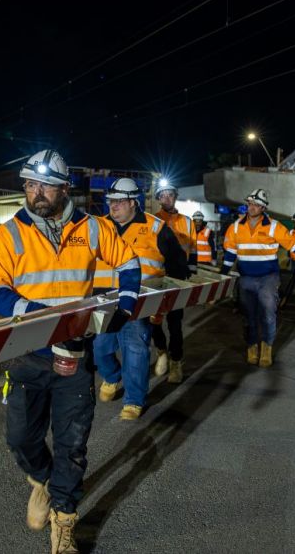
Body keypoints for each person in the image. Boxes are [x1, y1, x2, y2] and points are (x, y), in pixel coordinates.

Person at [0, 149, 141, 553]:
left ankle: (64, 522)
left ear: (63, 188)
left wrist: (126, 300)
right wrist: (38, 315)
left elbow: (128, 261)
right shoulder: (9, 234)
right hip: (28, 352)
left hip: (74, 353)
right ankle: (40, 480)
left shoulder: (92, 228)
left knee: (72, 445)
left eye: (45, 186)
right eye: (31, 185)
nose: (36, 193)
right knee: (20, 438)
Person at [93, 178, 187, 418]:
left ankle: (133, 400)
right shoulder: (98, 226)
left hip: (139, 300)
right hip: (103, 299)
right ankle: (113, 376)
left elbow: (177, 263)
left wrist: (170, 298)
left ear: (134, 202)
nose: (113, 207)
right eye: (111, 202)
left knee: (135, 348)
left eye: (119, 202)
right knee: (100, 347)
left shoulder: (156, 228)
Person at [221, 188, 295, 366]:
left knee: (268, 315)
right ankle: (252, 346)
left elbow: (293, 244)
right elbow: (230, 252)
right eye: (250, 203)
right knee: (248, 316)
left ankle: (266, 348)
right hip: (246, 278)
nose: (252, 207)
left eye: (256, 205)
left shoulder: (274, 226)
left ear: (263, 208)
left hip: (268, 278)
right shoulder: (235, 227)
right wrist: (223, 272)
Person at [152, 181, 198, 381]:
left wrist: (193, 274)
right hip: (157, 277)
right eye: (163, 195)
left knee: (175, 322)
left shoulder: (188, 222)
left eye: (170, 194)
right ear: (158, 199)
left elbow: (193, 250)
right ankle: (161, 350)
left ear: (175, 196)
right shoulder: (152, 221)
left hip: (178, 278)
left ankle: (176, 361)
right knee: (154, 321)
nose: (167, 198)